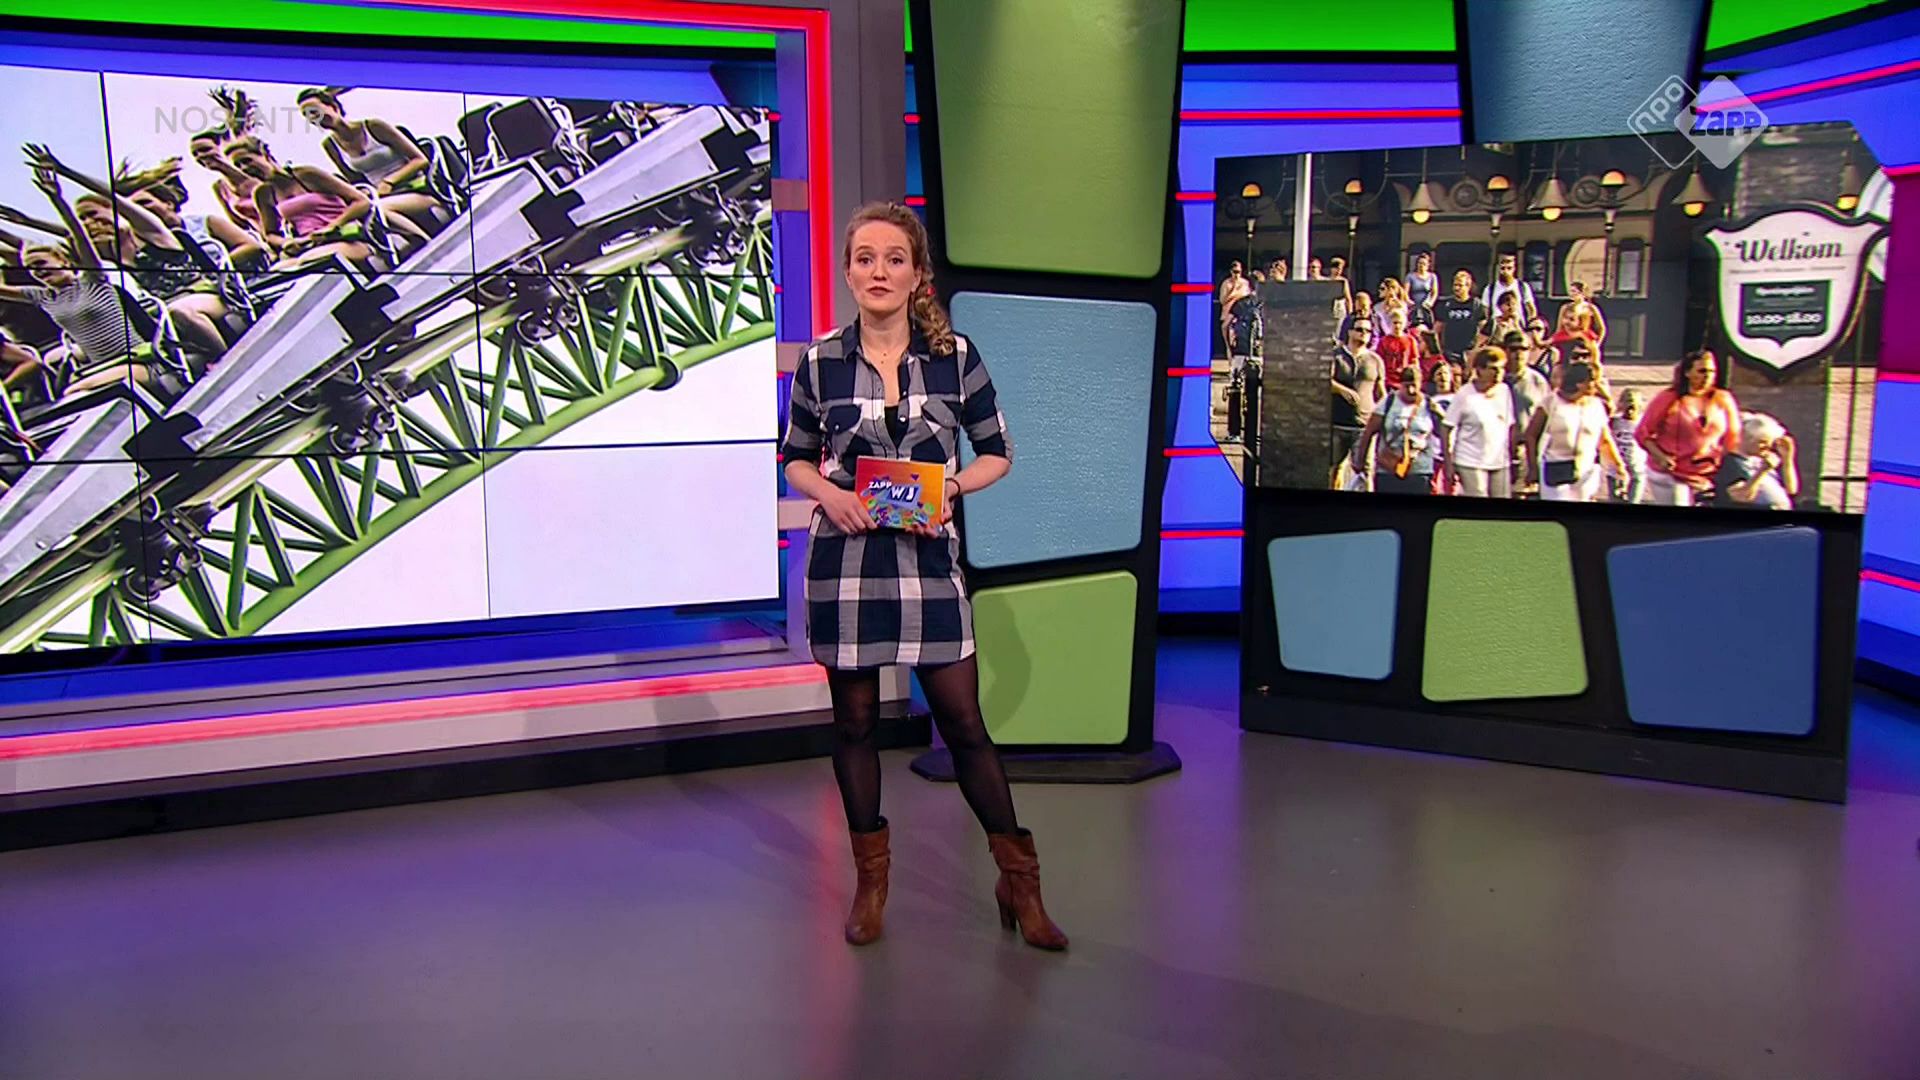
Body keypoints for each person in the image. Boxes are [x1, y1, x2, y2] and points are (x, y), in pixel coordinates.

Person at [779, 201, 1065, 952]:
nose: (879, 271)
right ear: (848, 274)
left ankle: (1020, 880)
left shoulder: (955, 356)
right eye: (865, 258)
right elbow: (795, 459)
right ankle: (871, 884)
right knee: (855, 724)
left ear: (916, 275)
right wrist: (831, 495)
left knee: (964, 723)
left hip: (927, 560)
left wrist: (951, 489)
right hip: (848, 562)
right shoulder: (820, 360)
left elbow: (997, 452)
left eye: (894, 259)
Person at [26, 145, 230, 358]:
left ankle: (224, 360)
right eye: (83, 219)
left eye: (92, 214)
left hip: (206, 294)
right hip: (161, 310)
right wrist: (28, 222)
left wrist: (64, 171)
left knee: (181, 311)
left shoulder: (149, 231)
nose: (89, 222)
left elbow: (109, 195)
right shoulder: (111, 250)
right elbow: (74, 235)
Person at [0, 171, 158, 398]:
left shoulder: (93, 279)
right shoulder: (44, 296)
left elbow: (79, 235)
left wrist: (57, 199)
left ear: (63, 261)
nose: (38, 271)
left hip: (140, 362)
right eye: (32, 268)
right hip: (102, 368)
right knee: (73, 391)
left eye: (41, 263)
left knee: (75, 391)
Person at [225, 136, 422, 270]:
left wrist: (332, 226)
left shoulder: (306, 174)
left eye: (247, 160)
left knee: (309, 262)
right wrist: (288, 242)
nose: (245, 168)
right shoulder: (263, 193)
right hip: (309, 245)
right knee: (280, 270)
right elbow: (270, 234)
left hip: (348, 238)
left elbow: (361, 201)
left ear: (264, 154)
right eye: (239, 166)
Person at [298, 87, 448, 236]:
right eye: (308, 116)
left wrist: (389, 182)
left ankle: (424, 240)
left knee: (380, 210)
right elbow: (354, 182)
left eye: (315, 111)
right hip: (379, 197)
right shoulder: (330, 146)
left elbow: (420, 160)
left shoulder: (374, 126)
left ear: (333, 106)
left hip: (415, 189)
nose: (314, 117)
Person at [1635, 349, 1741, 506]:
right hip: (1671, 472)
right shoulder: (1668, 398)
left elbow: (1734, 436)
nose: (1707, 376)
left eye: (1711, 371)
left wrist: (1729, 465)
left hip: (1707, 473)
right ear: (1687, 373)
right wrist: (1660, 456)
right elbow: (1642, 432)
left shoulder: (1723, 398)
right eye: (1702, 371)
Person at [1525, 361, 1622, 502]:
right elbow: (1531, 435)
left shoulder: (1596, 405)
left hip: (1586, 470)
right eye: (1593, 381)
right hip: (1556, 467)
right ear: (1579, 383)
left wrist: (1619, 466)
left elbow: (1604, 440)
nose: (1597, 386)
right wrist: (1533, 468)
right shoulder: (1550, 402)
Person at [1352, 363, 1443, 495]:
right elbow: (1368, 433)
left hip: (1419, 471)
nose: (1411, 390)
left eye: (1414, 386)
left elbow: (1444, 431)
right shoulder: (1388, 403)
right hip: (1389, 470)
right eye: (1407, 386)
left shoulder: (1429, 405)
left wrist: (1440, 415)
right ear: (1400, 385)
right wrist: (1360, 461)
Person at [1444, 346, 1519, 499]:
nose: (1499, 373)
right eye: (1493, 369)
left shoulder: (1504, 391)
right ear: (1479, 370)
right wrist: (1448, 463)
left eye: (1501, 368)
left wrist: (1512, 454)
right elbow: (1446, 427)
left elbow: (1509, 425)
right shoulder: (1464, 394)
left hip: (1500, 460)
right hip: (1470, 460)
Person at [1330, 318, 1384, 488]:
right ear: (1350, 332)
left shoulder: (1375, 360)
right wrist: (1342, 390)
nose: (1364, 334)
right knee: (1335, 469)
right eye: (1360, 329)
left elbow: (1380, 392)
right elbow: (1324, 381)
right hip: (1338, 423)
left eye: (1368, 331)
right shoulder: (1336, 356)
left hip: (1363, 426)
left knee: (1366, 472)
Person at [1711, 413, 1799, 510]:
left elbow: (1791, 490)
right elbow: (1742, 497)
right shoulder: (1732, 463)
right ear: (1746, 439)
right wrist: (1762, 471)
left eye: (1770, 443)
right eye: (1762, 442)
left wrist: (1787, 459)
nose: (1767, 447)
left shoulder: (1762, 461)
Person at [1434, 269, 1486, 367]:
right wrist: (1438, 349)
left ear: (1468, 286)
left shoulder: (1476, 304)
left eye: (1460, 285)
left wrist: (1477, 348)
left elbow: (1483, 328)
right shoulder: (1446, 304)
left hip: (1469, 350)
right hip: (1449, 350)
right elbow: (1438, 327)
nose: (1456, 288)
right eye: (1455, 285)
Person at [1610, 389, 1648, 504]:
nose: (1630, 408)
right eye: (1626, 401)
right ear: (1621, 404)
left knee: (1634, 499)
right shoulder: (1614, 421)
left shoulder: (1644, 422)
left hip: (1637, 467)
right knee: (1615, 499)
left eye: (1634, 403)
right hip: (1616, 468)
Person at [1480, 250, 1538, 322]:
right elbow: (1485, 312)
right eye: (1502, 268)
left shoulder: (1523, 287)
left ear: (1514, 268)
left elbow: (1531, 310)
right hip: (1497, 326)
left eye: (1509, 268)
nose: (1505, 272)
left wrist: (1530, 323)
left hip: (1517, 326)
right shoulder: (1489, 289)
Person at [1376, 306, 1422, 388]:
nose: (1397, 326)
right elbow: (1379, 361)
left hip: (1405, 381)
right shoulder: (1383, 341)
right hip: (1388, 381)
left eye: (1400, 323)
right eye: (1395, 323)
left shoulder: (1410, 340)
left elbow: (1415, 361)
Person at [1218, 260, 1249, 357]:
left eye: (1239, 272)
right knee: (1228, 338)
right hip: (1229, 313)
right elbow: (1222, 300)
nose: (1237, 275)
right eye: (1235, 272)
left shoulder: (1245, 283)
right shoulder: (1226, 283)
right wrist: (1233, 290)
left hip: (1241, 314)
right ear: (1231, 271)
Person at [1405, 251, 1439, 327]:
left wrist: (1431, 302)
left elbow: (1435, 292)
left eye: (1424, 263)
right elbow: (1405, 292)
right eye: (1419, 263)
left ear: (1428, 264)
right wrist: (1409, 302)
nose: (1421, 265)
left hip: (1426, 306)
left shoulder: (1432, 276)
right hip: (1414, 306)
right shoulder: (1410, 276)